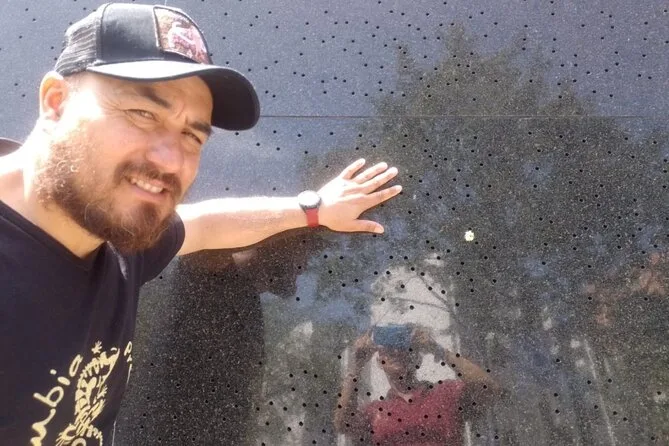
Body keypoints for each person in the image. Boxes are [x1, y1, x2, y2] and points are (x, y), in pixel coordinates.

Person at [0, 3, 402, 445]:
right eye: (142, 114)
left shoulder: (115, 241)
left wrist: (313, 209)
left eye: (192, 135)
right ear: (56, 103)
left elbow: (203, 224)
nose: (170, 160)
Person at [334, 325, 501, 445]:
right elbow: (342, 424)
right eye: (388, 348)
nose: (396, 351)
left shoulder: (446, 394)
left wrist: (438, 350)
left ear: (417, 358)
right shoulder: (376, 412)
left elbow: (488, 388)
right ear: (379, 361)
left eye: (404, 347)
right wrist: (357, 366)